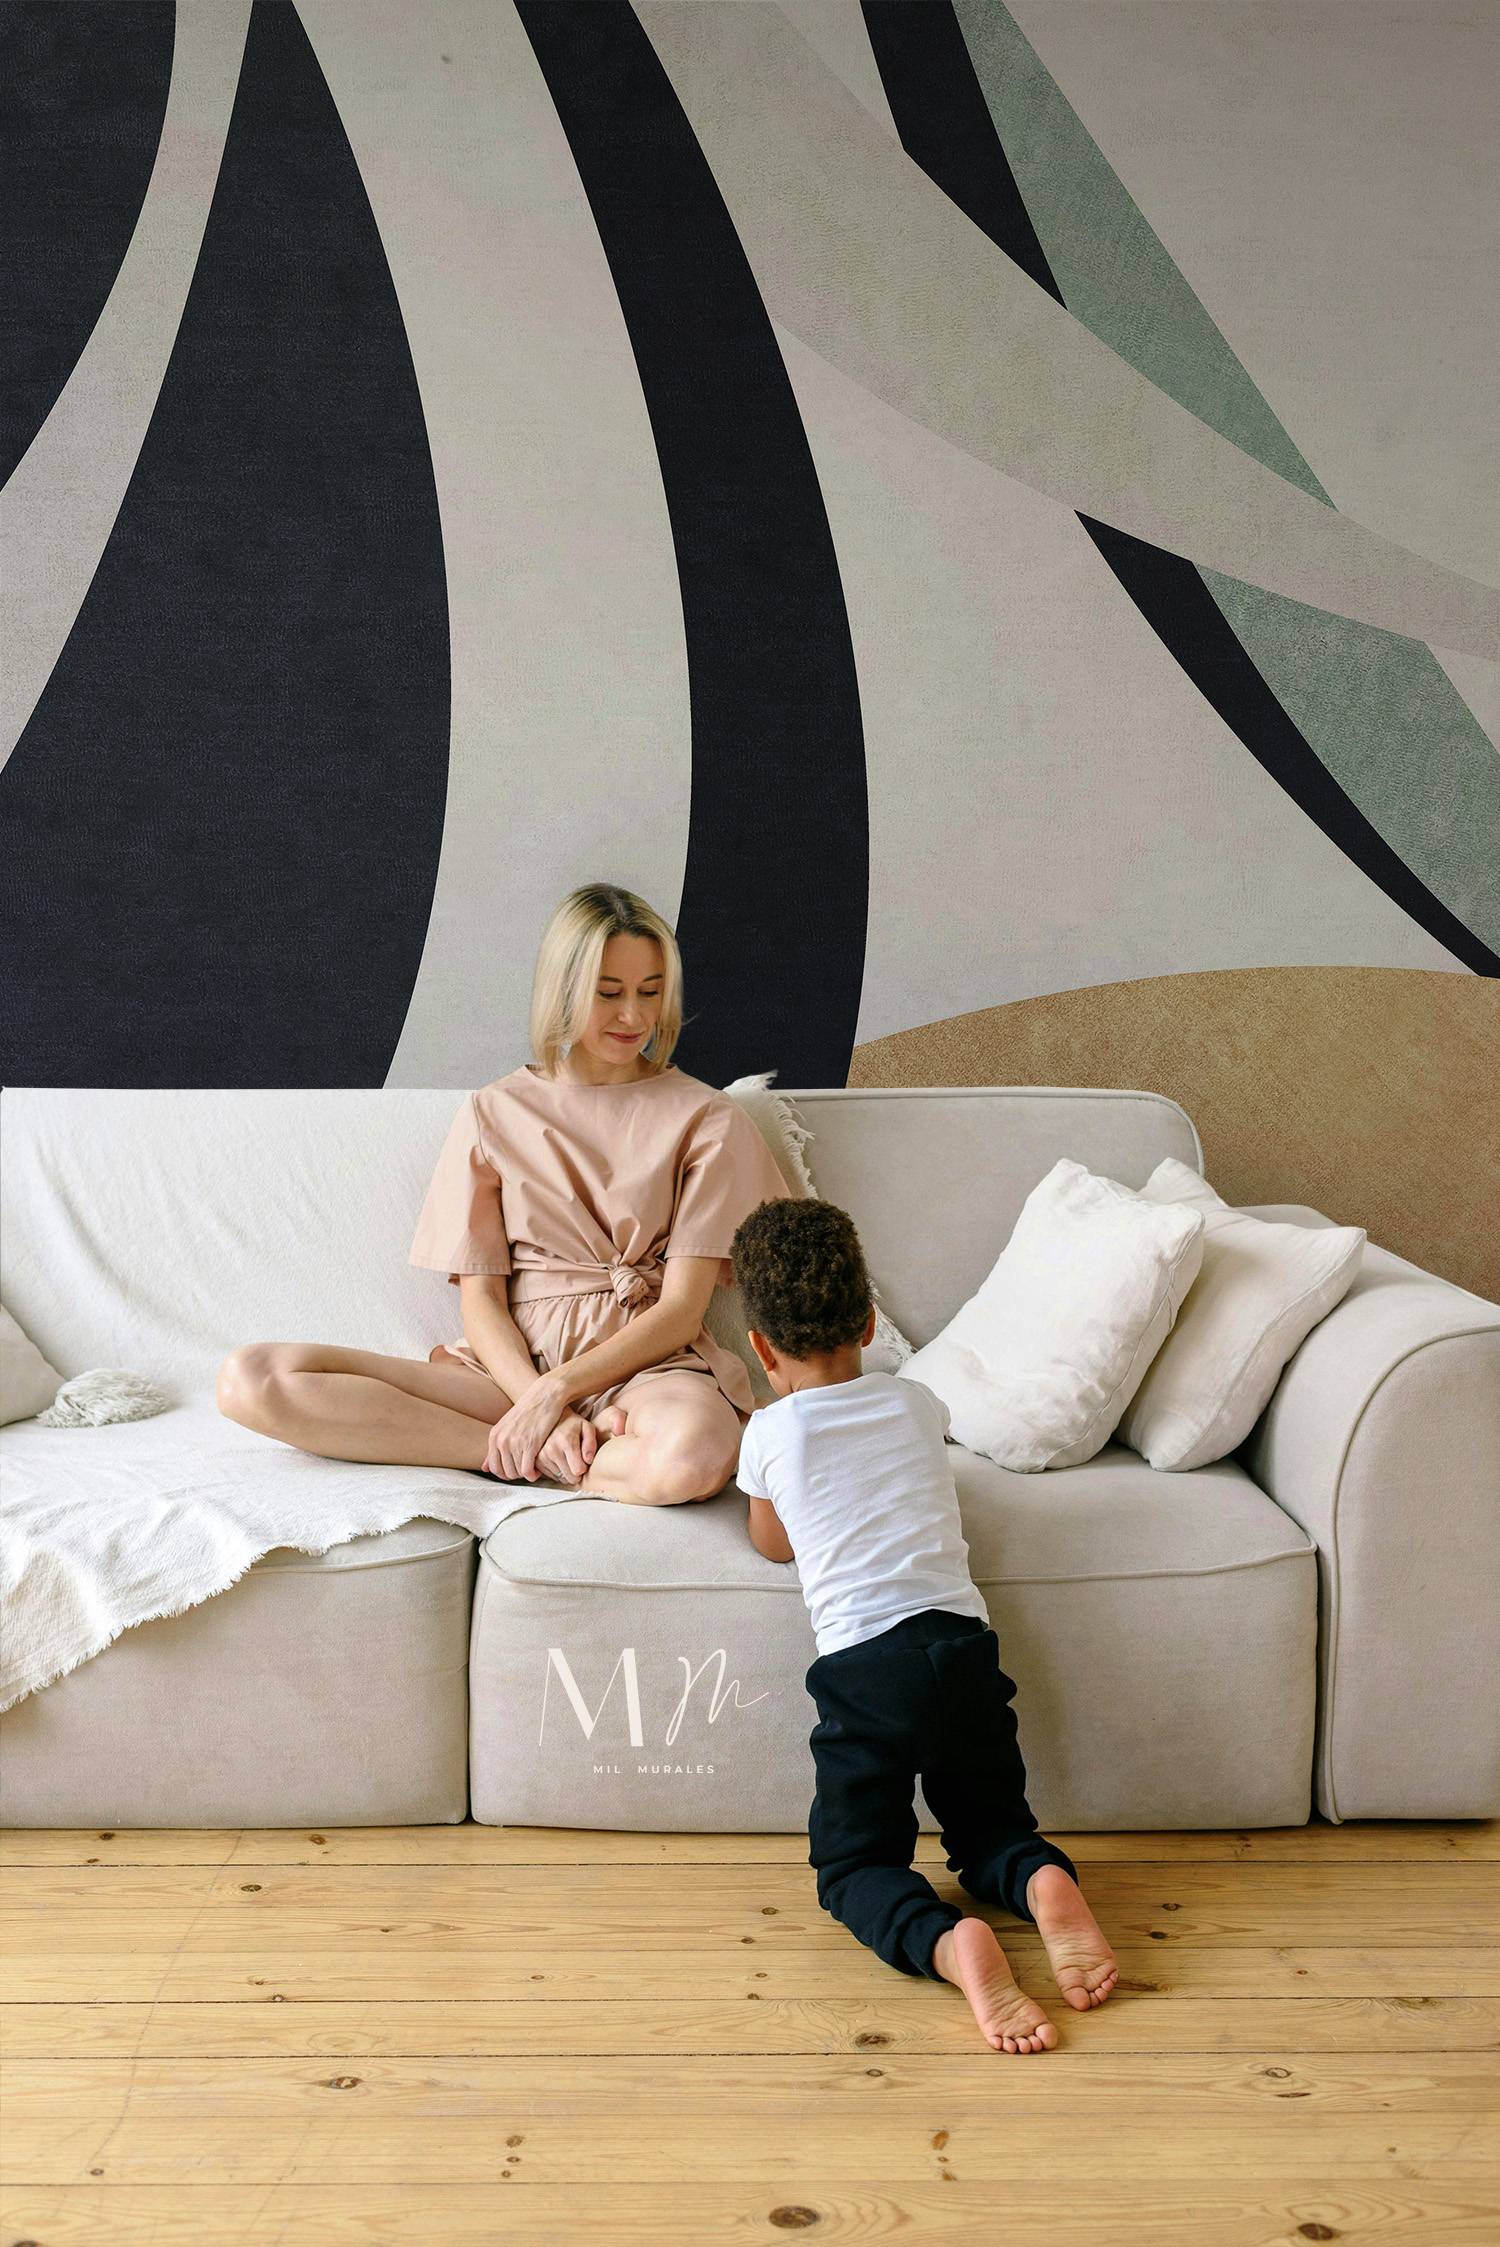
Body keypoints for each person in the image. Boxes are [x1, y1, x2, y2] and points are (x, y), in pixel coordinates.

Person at [216, 883, 789, 1504]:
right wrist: (537, 1405)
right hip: (509, 1373)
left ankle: (531, 1451)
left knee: (693, 1456)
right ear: (562, 990)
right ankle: (528, 1453)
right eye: (608, 994)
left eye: (650, 992)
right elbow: (482, 1300)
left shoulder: (708, 1118)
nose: (634, 1017)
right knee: (252, 1378)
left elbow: (680, 1309)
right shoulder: (493, 1112)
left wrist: (556, 1394)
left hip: (646, 1370)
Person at [729, 1195, 1119, 2053]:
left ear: (760, 1347)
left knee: (854, 1866)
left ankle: (949, 1942)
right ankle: (1040, 1880)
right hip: (964, 1649)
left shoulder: (768, 1432)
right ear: (869, 1323)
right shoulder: (916, 1403)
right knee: (992, 1829)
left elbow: (773, 1542)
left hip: (868, 1674)